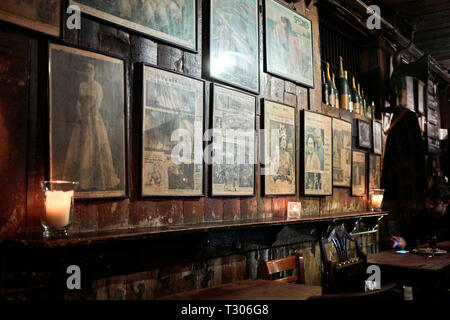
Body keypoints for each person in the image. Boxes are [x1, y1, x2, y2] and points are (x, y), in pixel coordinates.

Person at [63, 63, 120, 191]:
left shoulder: (97, 87)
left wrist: (86, 114)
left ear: (94, 71)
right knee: (80, 146)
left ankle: (94, 180)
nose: (89, 71)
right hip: (82, 119)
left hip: (93, 118)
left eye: (91, 69)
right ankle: (81, 180)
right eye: (87, 69)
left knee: (94, 145)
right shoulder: (82, 86)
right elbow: (78, 101)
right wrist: (79, 113)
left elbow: (97, 104)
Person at [391, 184, 450, 251]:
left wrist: (431, 245)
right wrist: (401, 242)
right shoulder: (421, 217)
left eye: (435, 203)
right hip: (423, 259)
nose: (430, 206)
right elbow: (407, 237)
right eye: (428, 202)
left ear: (446, 203)